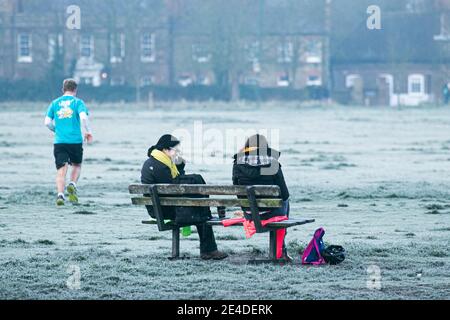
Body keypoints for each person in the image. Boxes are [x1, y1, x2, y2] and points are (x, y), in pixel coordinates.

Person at [141, 134, 228, 260]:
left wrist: (179, 166)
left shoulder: (156, 161)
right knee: (201, 209)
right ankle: (209, 250)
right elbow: (174, 188)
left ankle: (209, 249)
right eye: (176, 150)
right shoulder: (160, 165)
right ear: (166, 149)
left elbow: (174, 187)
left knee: (199, 205)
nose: (178, 152)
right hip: (163, 210)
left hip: (160, 206)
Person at [232, 134, 291, 261]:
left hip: (250, 213)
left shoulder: (237, 163)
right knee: (285, 200)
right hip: (272, 213)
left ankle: (280, 250)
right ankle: (281, 249)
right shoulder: (273, 163)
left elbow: (237, 190)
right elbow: (284, 194)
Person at [45, 79, 93, 206]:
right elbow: (83, 117)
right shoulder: (78, 102)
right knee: (76, 165)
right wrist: (88, 132)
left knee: (61, 169)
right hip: (75, 141)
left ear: (63, 89)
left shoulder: (54, 103)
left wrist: (57, 130)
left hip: (60, 141)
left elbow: (47, 122)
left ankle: (60, 195)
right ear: (75, 90)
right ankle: (72, 184)